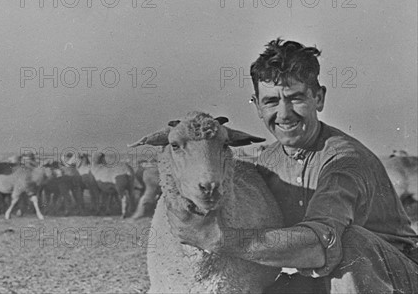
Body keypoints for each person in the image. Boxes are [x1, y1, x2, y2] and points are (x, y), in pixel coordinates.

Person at [166, 38, 418, 293]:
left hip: (396, 275)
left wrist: (217, 238)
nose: (284, 114)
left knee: (348, 240)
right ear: (257, 106)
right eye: (271, 102)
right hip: (324, 274)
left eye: (295, 98)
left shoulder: (345, 161)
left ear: (318, 98)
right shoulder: (268, 162)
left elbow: (321, 245)